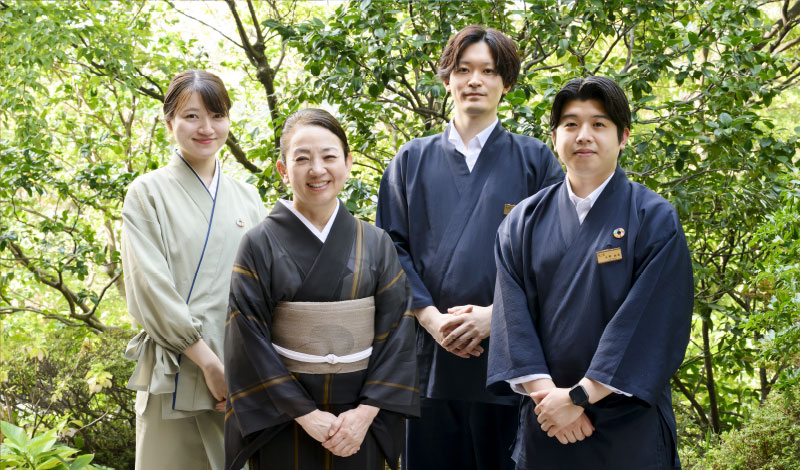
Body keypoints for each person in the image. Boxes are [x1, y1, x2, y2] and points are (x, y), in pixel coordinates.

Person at [376, 25, 564, 470]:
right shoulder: (410, 160)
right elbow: (390, 248)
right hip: (428, 360)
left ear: (507, 83)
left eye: (489, 71)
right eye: (463, 69)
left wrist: (495, 317)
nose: (475, 80)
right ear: (447, 79)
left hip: (509, 363)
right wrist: (432, 320)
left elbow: (558, 253)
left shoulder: (535, 160)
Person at [487, 76, 694, 469]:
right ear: (554, 137)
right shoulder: (522, 222)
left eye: (599, 124)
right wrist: (551, 401)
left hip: (627, 428)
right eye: (571, 124)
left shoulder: (653, 218)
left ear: (623, 136)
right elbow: (511, 323)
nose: (584, 135)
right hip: (547, 423)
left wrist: (578, 397)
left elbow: (652, 324)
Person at [224, 109, 419, 470]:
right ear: (283, 170)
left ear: (347, 163)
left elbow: (399, 333)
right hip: (284, 417)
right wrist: (306, 415)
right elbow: (247, 340)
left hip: (360, 417)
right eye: (302, 159)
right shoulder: (258, 243)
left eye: (329, 157)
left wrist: (365, 414)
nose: (317, 170)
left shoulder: (376, 242)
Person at [121, 70, 267, 470]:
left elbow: (267, 290)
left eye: (217, 115)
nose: (207, 128)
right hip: (176, 371)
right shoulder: (146, 193)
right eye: (192, 116)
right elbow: (149, 289)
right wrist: (208, 362)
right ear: (169, 123)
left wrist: (249, 367)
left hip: (240, 372)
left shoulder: (247, 196)